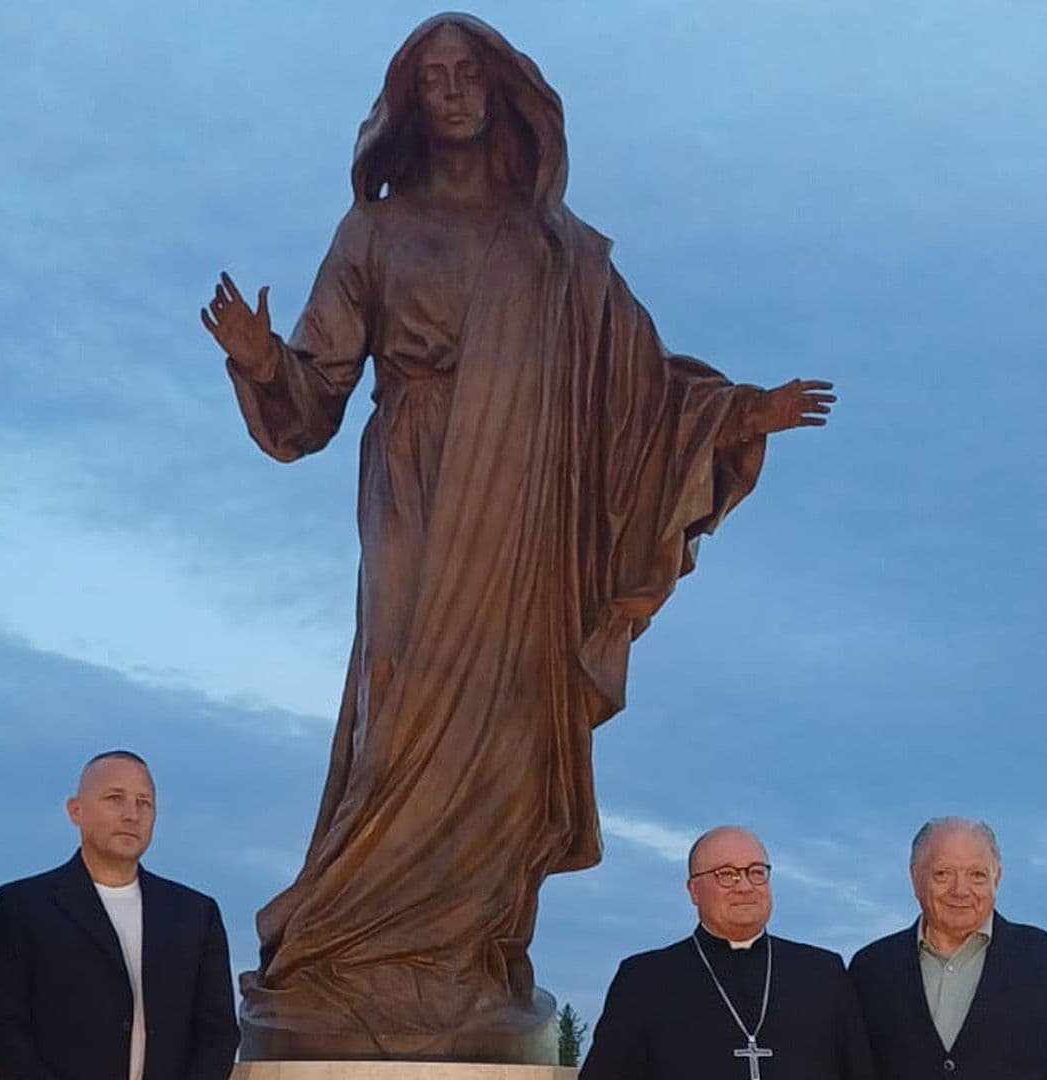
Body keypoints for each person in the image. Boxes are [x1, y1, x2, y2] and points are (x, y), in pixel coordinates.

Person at [198, 12, 835, 1056]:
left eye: (467, 75)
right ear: (409, 100)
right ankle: (352, 943)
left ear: (500, 91)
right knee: (399, 719)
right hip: (419, 486)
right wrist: (264, 360)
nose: (450, 92)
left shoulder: (559, 251)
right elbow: (311, 405)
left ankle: (463, 959)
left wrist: (732, 415)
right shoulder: (376, 230)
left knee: (506, 730)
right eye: (431, 78)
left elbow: (639, 385)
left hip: (529, 511)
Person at [0, 750, 239, 1080]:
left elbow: (218, 1033)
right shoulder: (21, 908)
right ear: (75, 810)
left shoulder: (195, 916)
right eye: (115, 798)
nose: (131, 814)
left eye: (144, 802)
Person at [580, 827, 874, 1079]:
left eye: (757, 872)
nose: (745, 886)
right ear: (694, 890)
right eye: (727, 875)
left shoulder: (823, 974)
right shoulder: (644, 981)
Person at [848, 818, 1047, 1080]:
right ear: (915, 877)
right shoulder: (871, 970)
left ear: (997, 877)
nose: (960, 890)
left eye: (977, 875)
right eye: (943, 874)